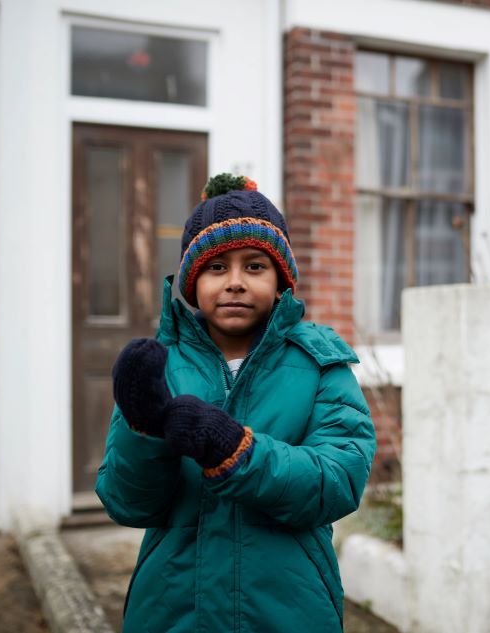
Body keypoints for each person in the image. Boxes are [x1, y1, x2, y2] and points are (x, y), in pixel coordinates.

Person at [96, 173, 376, 633]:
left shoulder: (321, 364)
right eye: (216, 267)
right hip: (173, 610)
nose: (235, 283)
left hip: (288, 610)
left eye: (255, 266)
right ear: (192, 281)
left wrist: (238, 452)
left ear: (281, 280)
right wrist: (142, 431)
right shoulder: (161, 367)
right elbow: (127, 504)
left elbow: (338, 480)